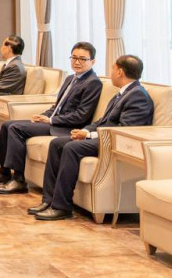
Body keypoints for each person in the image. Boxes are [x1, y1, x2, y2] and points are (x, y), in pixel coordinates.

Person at [31, 55, 153, 220]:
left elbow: (124, 130)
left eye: (112, 69)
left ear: (120, 72)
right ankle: (49, 200)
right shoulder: (124, 92)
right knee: (57, 144)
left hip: (116, 142)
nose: (110, 73)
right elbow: (102, 121)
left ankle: (62, 207)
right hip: (104, 137)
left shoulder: (138, 96)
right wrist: (84, 131)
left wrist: (89, 135)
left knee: (71, 148)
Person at [0, 41, 103, 194]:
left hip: (66, 127)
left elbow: (81, 116)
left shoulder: (93, 83)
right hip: (54, 122)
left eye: (82, 59)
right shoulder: (71, 78)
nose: (77, 62)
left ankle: (18, 180)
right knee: (7, 125)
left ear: (93, 61)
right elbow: (57, 106)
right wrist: (44, 115)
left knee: (16, 129)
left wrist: (51, 120)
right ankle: (3, 172)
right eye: (74, 57)